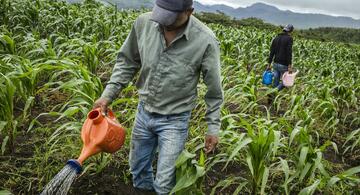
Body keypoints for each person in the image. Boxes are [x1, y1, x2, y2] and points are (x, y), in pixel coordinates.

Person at [93, 0, 224, 194]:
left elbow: (214, 91)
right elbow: (127, 62)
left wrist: (213, 127)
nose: (164, 22)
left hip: (175, 120)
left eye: (170, 17)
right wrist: (107, 95)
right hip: (144, 112)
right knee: (137, 170)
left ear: (189, 12)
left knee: (164, 183)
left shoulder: (205, 40)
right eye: (161, 14)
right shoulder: (143, 23)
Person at [267, 24, 294, 91]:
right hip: (283, 64)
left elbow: (272, 52)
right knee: (286, 82)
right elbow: (289, 53)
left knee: (275, 82)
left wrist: (269, 64)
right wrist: (290, 66)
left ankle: (271, 98)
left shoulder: (276, 38)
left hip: (275, 63)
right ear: (290, 31)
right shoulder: (289, 39)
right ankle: (274, 91)